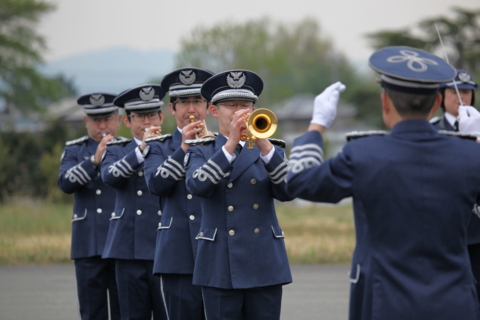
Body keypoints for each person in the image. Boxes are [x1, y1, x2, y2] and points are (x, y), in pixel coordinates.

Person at [286, 46, 480, 320]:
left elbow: (298, 181)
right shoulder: (469, 156)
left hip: (384, 303)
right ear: (436, 103)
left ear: (385, 102)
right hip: (455, 303)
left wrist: (317, 126)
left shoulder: (363, 154)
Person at [184, 70, 293, 320]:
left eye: (246, 106)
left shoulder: (272, 149)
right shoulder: (201, 148)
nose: (239, 112)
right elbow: (197, 186)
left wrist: (264, 144)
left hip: (264, 261)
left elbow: (289, 190)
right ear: (213, 110)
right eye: (231, 106)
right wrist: (231, 143)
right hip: (220, 263)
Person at [142, 67, 214, 320]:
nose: (191, 110)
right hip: (178, 254)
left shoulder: (222, 146)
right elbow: (156, 185)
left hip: (217, 252)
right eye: (184, 103)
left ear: (209, 107)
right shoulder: (158, 147)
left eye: (197, 101)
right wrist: (183, 147)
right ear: (171, 109)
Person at [100, 85, 167, 320]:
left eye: (151, 115)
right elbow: (110, 176)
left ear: (161, 116)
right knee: (130, 315)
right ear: (127, 122)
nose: (146, 121)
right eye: (139, 116)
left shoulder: (174, 148)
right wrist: (141, 150)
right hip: (128, 246)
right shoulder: (117, 150)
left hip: (164, 245)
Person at [58, 93, 122, 320]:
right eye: (96, 120)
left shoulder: (127, 149)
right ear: (86, 121)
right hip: (88, 243)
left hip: (120, 242)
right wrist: (94, 161)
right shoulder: (75, 150)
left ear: (119, 119)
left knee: (123, 310)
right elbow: (65, 183)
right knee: (91, 311)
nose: (102, 126)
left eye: (107, 119)